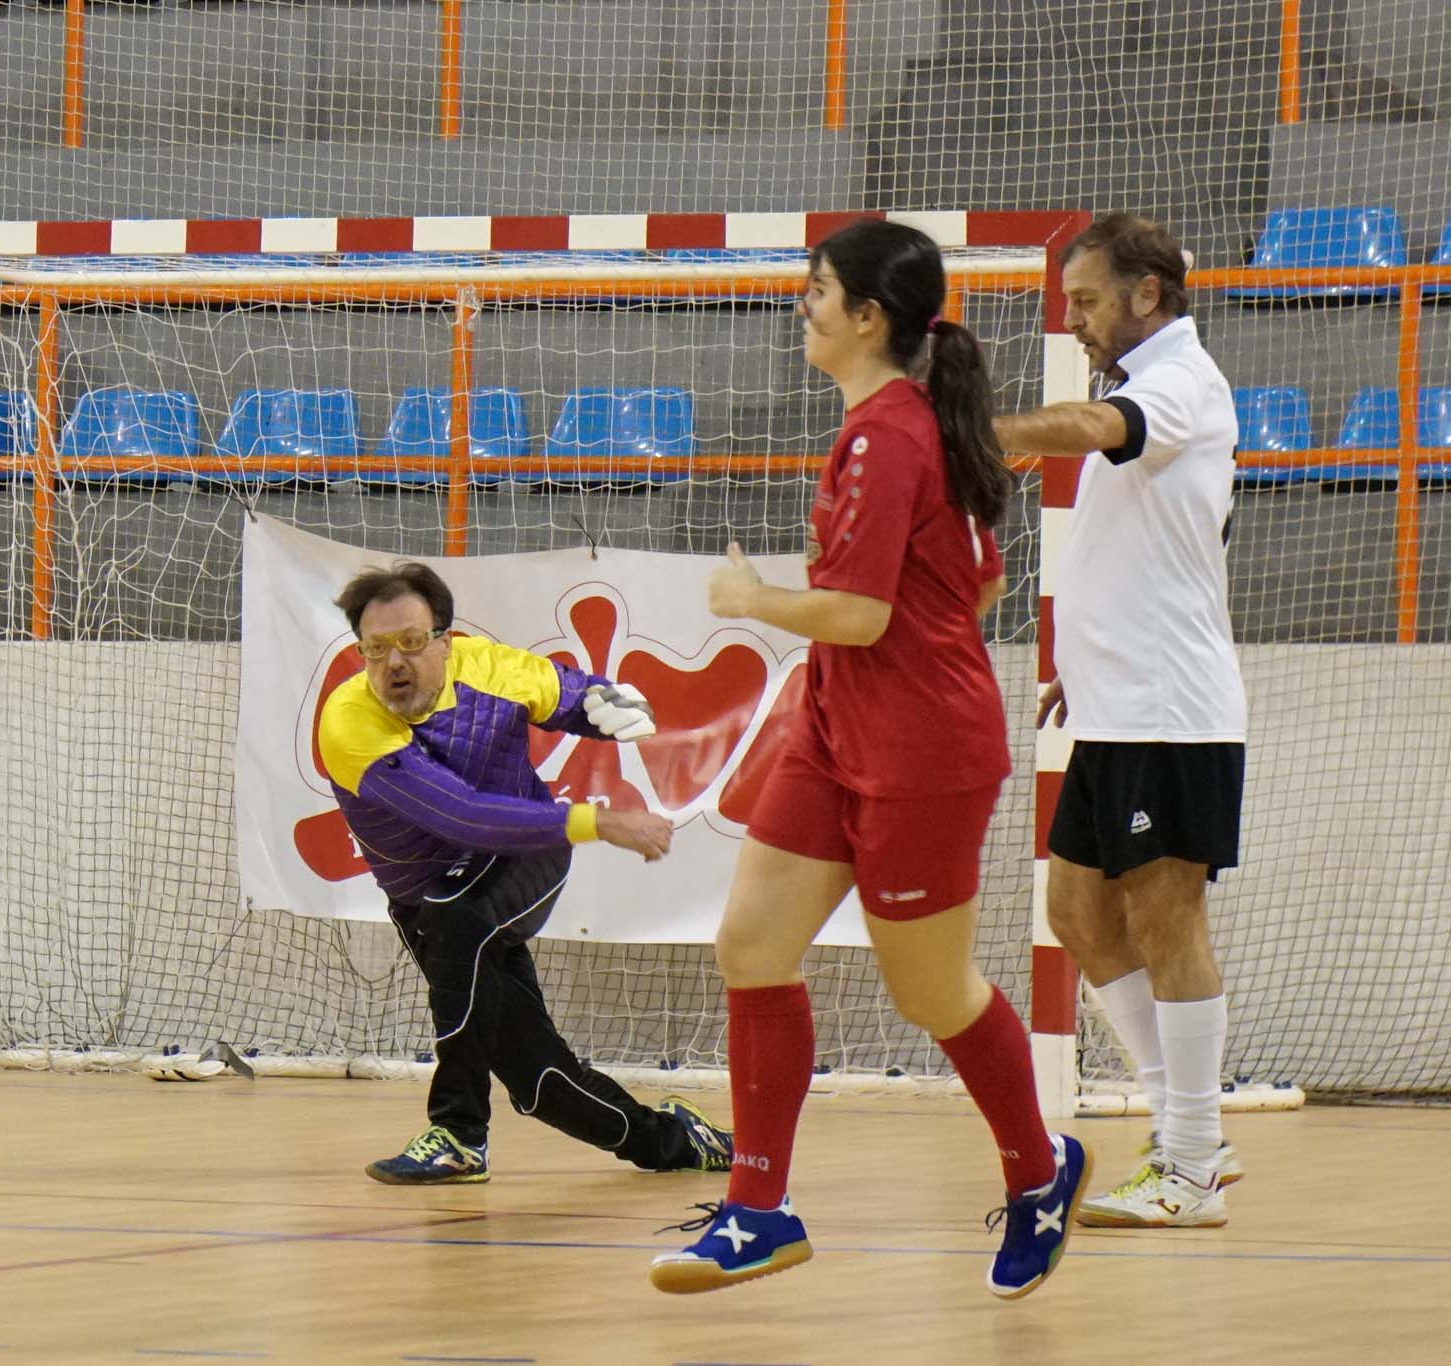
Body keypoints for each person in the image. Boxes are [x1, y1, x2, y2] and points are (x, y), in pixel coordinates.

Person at [650, 219, 1089, 1302]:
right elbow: (973, 577)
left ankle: (1038, 1171)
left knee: (929, 991)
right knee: (750, 942)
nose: (801, 305)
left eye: (816, 291)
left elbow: (854, 610)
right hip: (836, 731)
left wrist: (752, 601)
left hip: (918, 755)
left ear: (867, 316)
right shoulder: (900, 427)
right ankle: (758, 1211)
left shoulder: (890, 435)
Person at [318, 559, 735, 1185]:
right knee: (539, 1079)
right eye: (375, 650)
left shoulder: (488, 667)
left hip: (524, 851)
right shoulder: (349, 724)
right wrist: (599, 822)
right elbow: (461, 816)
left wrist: (602, 700)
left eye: (409, 642)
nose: (394, 663)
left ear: (445, 640)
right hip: (435, 892)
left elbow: (567, 693)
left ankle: (459, 1133)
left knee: (458, 910)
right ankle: (673, 1141)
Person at [993, 213, 1245, 1229]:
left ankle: (1187, 1161)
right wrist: (1079, 664)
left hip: (1171, 714)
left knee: (1161, 917)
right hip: (1112, 704)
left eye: (1087, 299)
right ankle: (1191, 1130)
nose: (1075, 319)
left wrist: (983, 431)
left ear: (1147, 294)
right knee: (1075, 916)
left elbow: (1097, 433)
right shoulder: (1136, 384)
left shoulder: (1179, 380)